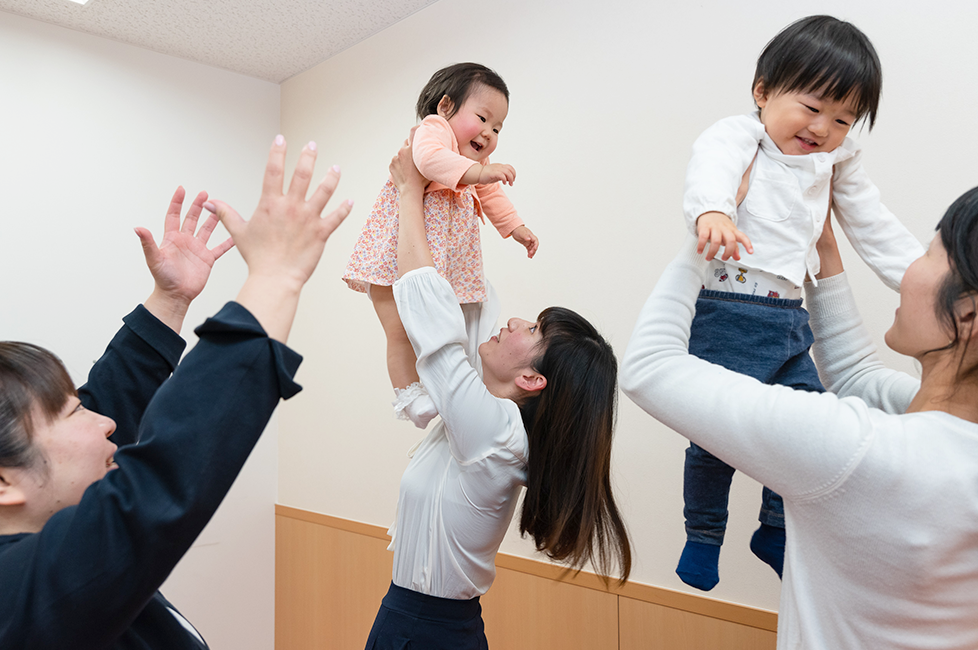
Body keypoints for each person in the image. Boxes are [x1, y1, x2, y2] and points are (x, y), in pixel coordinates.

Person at [0, 136, 351, 649]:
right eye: (74, 412)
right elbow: (158, 485)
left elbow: (110, 402)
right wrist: (275, 278)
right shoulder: (16, 600)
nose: (104, 423)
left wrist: (170, 300)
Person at [622, 181, 978, 649]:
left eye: (928, 254)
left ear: (971, 313)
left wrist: (710, 226)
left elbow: (649, 367)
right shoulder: (968, 439)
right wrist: (821, 243)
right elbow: (854, 375)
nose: (908, 272)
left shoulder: (861, 450)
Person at [676, 14, 925, 590]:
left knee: (811, 427)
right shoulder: (742, 136)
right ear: (763, 92)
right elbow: (709, 167)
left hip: (791, 319)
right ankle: (704, 533)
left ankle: (775, 526)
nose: (823, 128)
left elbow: (871, 221)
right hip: (731, 311)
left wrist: (916, 278)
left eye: (842, 119)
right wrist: (713, 209)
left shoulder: (837, 161)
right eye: (811, 108)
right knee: (716, 437)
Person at [363, 135, 629, 649]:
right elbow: (472, 301)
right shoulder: (497, 418)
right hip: (408, 616)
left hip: (429, 629)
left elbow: (438, 331)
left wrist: (408, 192)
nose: (514, 322)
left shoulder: (498, 434)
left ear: (532, 380)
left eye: (532, 331)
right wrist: (461, 186)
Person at [343, 62, 539, 430]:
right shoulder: (433, 131)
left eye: (497, 127)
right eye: (482, 117)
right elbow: (427, 160)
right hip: (392, 258)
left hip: (437, 262)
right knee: (399, 331)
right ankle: (409, 395)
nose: (488, 132)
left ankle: (440, 390)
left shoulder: (474, 163)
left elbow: (492, 195)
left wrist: (517, 228)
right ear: (446, 106)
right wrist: (480, 171)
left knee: (441, 331)